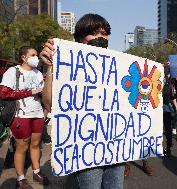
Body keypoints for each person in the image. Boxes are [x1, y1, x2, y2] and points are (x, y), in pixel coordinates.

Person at [40, 14, 125, 189]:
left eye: (104, 33)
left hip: (115, 148)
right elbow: (49, 104)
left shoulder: (118, 65)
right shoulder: (66, 64)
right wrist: (51, 65)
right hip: (85, 149)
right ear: (79, 38)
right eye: (93, 34)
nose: (100, 38)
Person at [0, 46, 49, 189]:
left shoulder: (38, 73)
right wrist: (31, 92)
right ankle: (20, 178)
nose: (36, 57)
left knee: (35, 145)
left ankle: (36, 171)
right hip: (21, 115)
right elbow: (4, 93)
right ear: (24, 57)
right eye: (33, 55)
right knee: (22, 147)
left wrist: (43, 93)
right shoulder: (13, 71)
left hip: (38, 114)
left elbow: (43, 93)